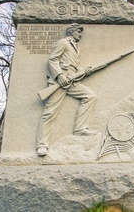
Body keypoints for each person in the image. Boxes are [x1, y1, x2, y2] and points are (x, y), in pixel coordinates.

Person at [37, 23, 97, 156]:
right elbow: (53, 59)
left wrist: (84, 71)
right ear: (72, 32)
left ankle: (80, 129)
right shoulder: (63, 42)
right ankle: (42, 145)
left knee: (90, 96)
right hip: (60, 81)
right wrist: (59, 76)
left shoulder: (75, 47)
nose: (81, 35)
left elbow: (72, 65)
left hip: (72, 81)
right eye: (79, 32)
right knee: (50, 112)